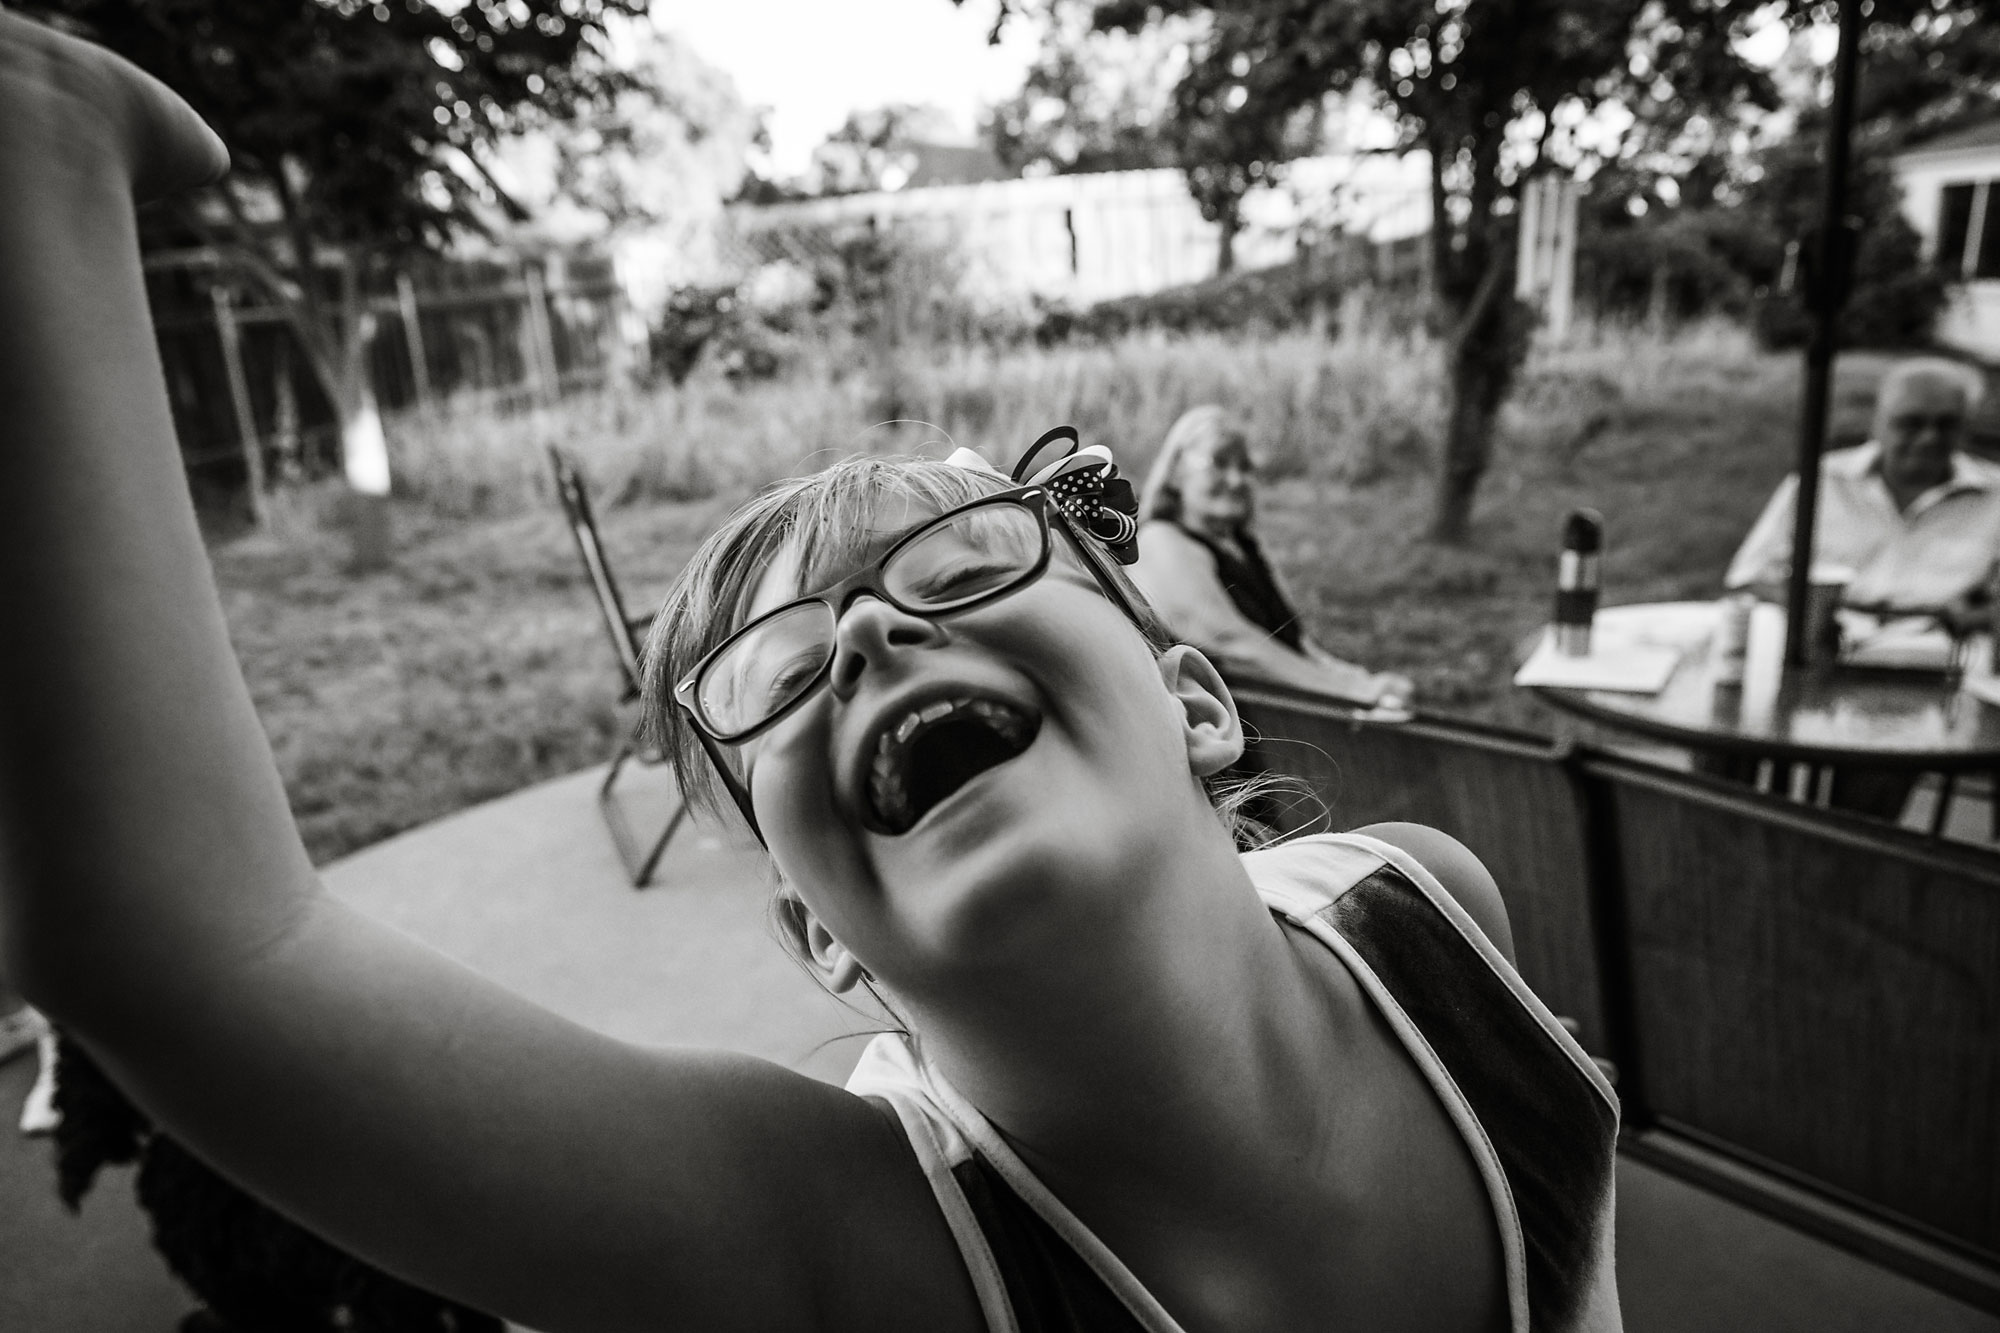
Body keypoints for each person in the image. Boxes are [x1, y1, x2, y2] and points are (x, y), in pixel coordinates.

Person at [0, 18, 1620, 1333]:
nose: (859, 634)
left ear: (1196, 703)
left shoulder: (1431, 911)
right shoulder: (844, 1248)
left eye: (966, 565)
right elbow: (198, 949)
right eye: (775, 669)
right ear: (815, 936)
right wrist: (39, 149)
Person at [1131, 406, 1415, 708]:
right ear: (1175, 473)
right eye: (1219, 463)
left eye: (1245, 467)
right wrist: (1352, 691)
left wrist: (1356, 677)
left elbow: (1294, 641)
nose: (1236, 479)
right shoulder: (1161, 541)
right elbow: (1231, 643)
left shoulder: (1243, 547)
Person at [1725, 357, 2000, 622]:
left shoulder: (1994, 495)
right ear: (1879, 423)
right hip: (1826, 643)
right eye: (1911, 423)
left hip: (1948, 650)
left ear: (1965, 428)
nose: (1929, 437)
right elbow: (1748, 579)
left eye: (1946, 424)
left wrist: (1980, 616)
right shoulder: (1821, 481)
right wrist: (1808, 608)